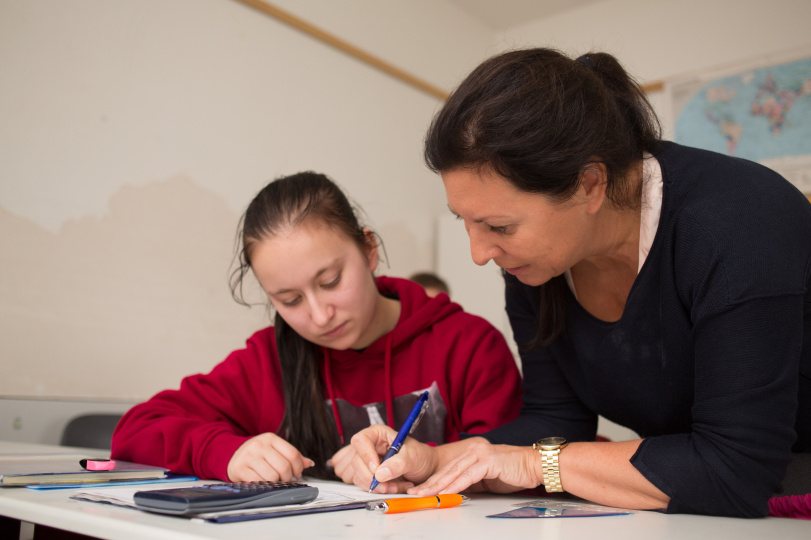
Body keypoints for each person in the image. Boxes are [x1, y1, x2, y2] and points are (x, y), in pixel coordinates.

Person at [341, 48, 811, 518]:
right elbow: (556, 420)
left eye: (499, 227)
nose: (479, 254)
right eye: (464, 221)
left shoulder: (736, 222)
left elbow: (736, 468)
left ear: (590, 184)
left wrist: (536, 464)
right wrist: (438, 458)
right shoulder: (535, 267)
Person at [111, 171, 522, 483]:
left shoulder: (469, 345)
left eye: (330, 282)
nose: (320, 315)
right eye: (289, 300)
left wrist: (420, 464)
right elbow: (136, 430)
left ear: (368, 249)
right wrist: (223, 452)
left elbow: (513, 467)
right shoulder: (269, 359)